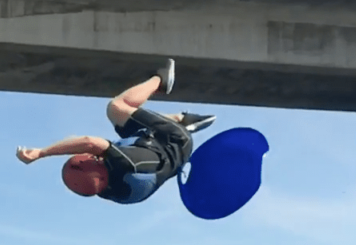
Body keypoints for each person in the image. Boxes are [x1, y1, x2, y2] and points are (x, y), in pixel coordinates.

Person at [15, 59, 216, 204]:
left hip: (163, 153)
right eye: (93, 160)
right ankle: (162, 83)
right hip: (174, 140)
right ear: (98, 173)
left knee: (128, 137)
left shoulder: (109, 190)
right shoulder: (125, 164)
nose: (96, 157)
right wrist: (42, 153)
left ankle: (183, 121)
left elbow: (84, 157)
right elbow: (88, 142)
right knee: (117, 107)